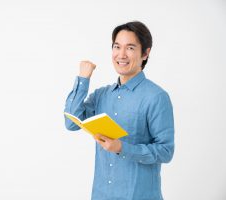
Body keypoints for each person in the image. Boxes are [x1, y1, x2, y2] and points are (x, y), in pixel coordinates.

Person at [64, 21, 174, 200]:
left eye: (130, 48)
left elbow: (165, 151)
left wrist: (122, 147)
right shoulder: (101, 95)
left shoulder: (156, 97)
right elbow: (71, 123)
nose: (121, 54)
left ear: (145, 53)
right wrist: (83, 79)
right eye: (117, 46)